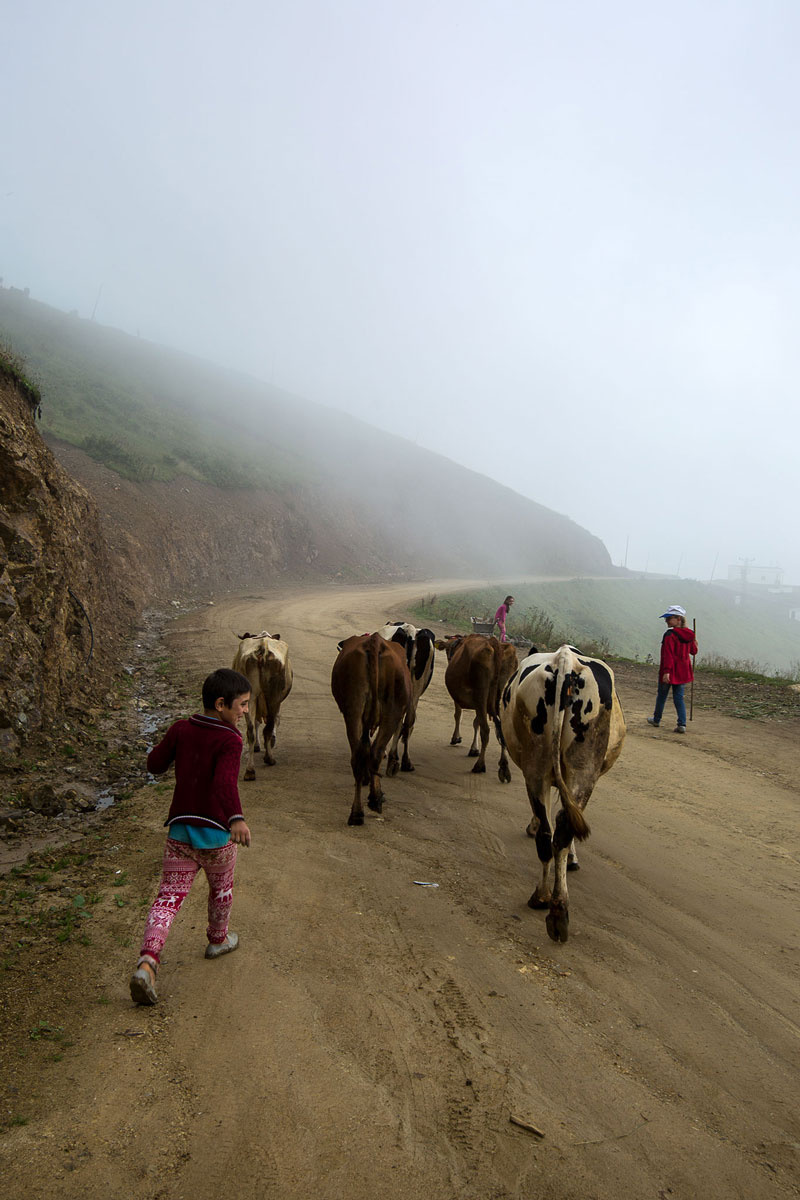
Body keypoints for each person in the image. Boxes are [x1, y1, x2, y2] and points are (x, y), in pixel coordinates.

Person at [129, 668, 253, 1006]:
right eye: (241, 705)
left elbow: (154, 764)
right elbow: (224, 784)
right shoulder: (231, 740)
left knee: (167, 899)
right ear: (221, 704)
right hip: (216, 836)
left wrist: (165, 745)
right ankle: (217, 939)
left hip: (180, 832)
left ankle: (147, 963)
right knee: (222, 889)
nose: (245, 712)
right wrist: (236, 818)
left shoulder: (181, 729)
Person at [647, 605, 698, 734]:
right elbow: (694, 651)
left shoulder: (670, 635)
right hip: (683, 671)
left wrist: (666, 672)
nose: (667, 621)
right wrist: (695, 641)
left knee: (662, 696)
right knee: (679, 698)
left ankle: (656, 719)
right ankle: (682, 724)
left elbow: (668, 655)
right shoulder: (689, 634)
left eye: (669, 618)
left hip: (670, 671)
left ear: (678, 619)